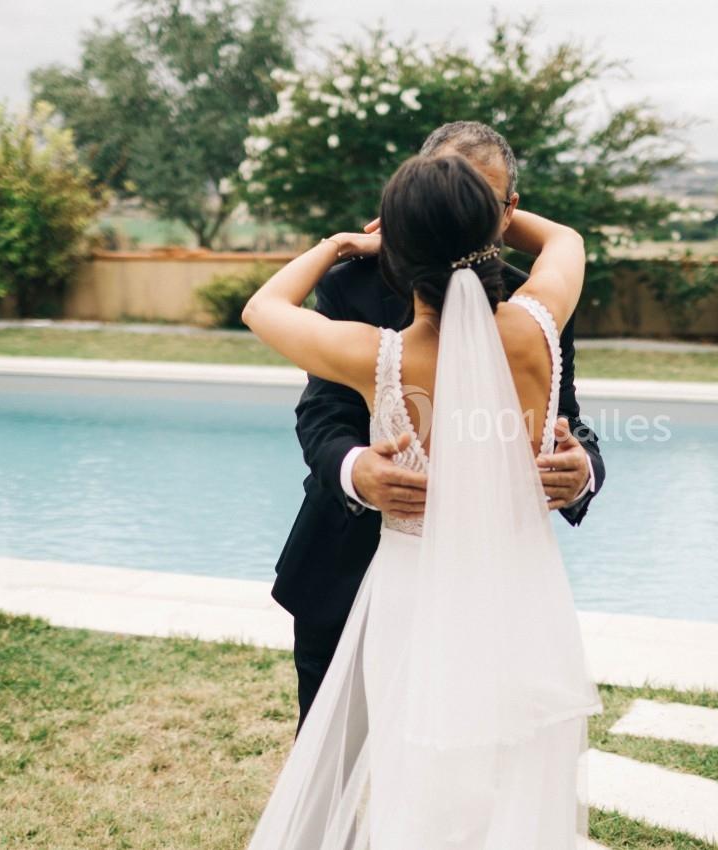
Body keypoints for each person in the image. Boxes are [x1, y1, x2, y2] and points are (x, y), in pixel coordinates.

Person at [242, 154, 601, 848]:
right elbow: (567, 241)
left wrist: (340, 244)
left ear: (397, 256)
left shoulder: (381, 360)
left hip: (413, 594)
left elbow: (262, 308)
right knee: (515, 767)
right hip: (521, 588)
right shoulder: (539, 325)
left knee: (419, 773)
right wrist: (486, 220)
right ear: (495, 235)